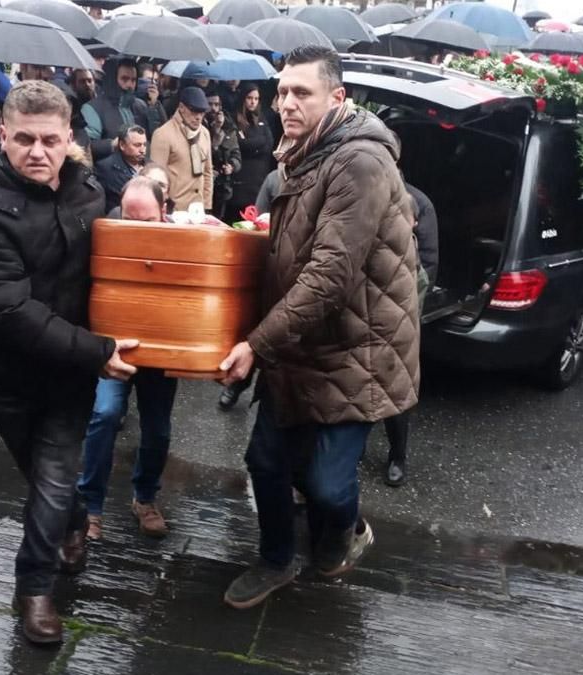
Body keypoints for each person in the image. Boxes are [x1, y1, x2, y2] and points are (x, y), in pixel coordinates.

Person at [217, 46, 421, 609]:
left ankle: (348, 529)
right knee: (265, 463)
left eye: (300, 92)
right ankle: (276, 561)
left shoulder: (358, 161)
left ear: (338, 98)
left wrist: (256, 344)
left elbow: (330, 274)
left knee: (329, 485)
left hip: (355, 349)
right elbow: (294, 249)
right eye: (281, 92)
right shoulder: (300, 155)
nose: (286, 103)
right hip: (300, 342)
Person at [0, 80, 138, 645]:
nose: (37, 152)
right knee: (39, 474)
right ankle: (76, 521)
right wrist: (100, 352)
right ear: (2, 134)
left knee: (52, 476)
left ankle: (33, 588)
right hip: (6, 373)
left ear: (68, 139)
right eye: (24, 138)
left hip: (69, 373)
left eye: (49, 140)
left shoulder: (86, 190)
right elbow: (10, 310)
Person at [79, 175, 177, 542]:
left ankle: (145, 498)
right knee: (104, 415)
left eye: (146, 221)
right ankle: (89, 506)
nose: (135, 228)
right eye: (128, 218)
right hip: (114, 346)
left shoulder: (180, 239)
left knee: (158, 428)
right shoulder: (105, 234)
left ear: (163, 212)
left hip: (160, 347)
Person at [381, 181, 439, 487]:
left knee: (396, 399)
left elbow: (412, 298)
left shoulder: (414, 262)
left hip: (399, 335)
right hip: (372, 334)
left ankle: (398, 457)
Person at [150, 87, 213, 212]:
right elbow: (155, 179)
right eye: (194, 111)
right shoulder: (163, 134)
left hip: (198, 209)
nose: (198, 117)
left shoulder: (205, 133)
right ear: (181, 107)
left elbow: (208, 172)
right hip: (173, 209)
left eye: (202, 112)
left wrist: (207, 206)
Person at [83, 58, 155, 162]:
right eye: (124, 79)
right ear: (112, 79)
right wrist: (112, 145)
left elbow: (151, 137)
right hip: (107, 173)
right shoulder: (93, 108)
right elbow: (86, 145)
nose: (130, 85)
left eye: (133, 80)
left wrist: (154, 107)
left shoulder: (140, 106)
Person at [225, 83, 274, 222]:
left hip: (259, 180)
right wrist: (258, 143)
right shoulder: (235, 119)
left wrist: (252, 144)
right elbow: (240, 145)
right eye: (249, 98)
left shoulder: (261, 118)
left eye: (256, 98)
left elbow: (269, 143)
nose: (253, 102)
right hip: (242, 181)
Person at [94, 125, 147, 214]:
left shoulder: (151, 166)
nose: (142, 150)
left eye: (144, 145)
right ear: (122, 145)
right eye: (137, 145)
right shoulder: (105, 168)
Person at [206, 89, 241, 219]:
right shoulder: (201, 125)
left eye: (216, 105)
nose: (213, 108)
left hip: (223, 186)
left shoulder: (229, 127)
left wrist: (232, 166)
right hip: (205, 183)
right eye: (210, 104)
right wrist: (215, 133)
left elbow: (236, 155)